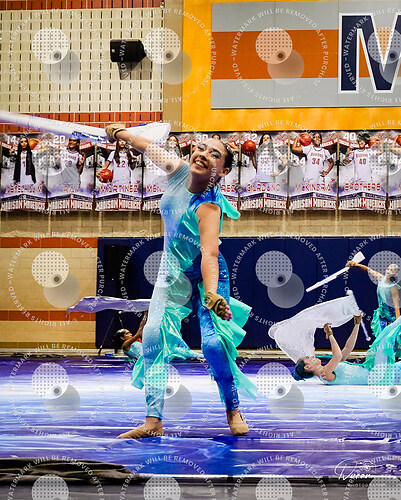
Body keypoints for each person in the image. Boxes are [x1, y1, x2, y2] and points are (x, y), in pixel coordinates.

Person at [105, 123, 257, 439]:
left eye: (214, 154)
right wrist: (119, 133)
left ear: (223, 171)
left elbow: (209, 254)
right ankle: (153, 421)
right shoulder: (177, 169)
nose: (203, 154)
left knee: (214, 345)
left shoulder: (208, 207)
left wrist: (212, 294)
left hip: (206, 277)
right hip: (171, 273)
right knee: (152, 337)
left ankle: (233, 409)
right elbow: (146, 145)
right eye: (201, 147)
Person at [294, 318, 401, 385]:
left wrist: (356, 324)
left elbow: (348, 347)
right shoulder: (324, 374)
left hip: (379, 375)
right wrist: (330, 334)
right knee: (385, 336)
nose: (312, 356)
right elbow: (337, 355)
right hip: (378, 376)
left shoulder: (330, 368)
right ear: (307, 367)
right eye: (308, 358)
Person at [346, 261, 400, 337]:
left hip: (391, 317)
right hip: (381, 315)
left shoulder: (393, 287)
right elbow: (368, 270)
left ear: (395, 274)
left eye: (391, 270)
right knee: (381, 337)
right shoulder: (381, 278)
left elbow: (396, 306)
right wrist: (355, 265)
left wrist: (397, 324)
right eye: (388, 269)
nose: (388, 271)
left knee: (391, 338)